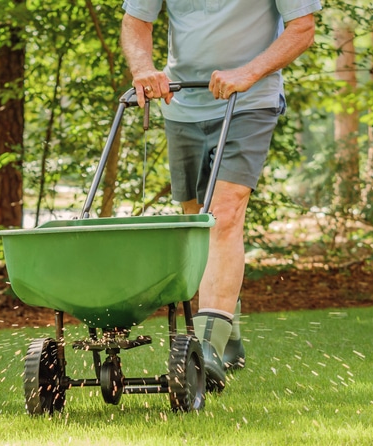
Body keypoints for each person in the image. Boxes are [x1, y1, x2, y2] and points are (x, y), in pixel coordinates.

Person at [121, 0, 321, 389]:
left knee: (224, 215)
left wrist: (249, 72)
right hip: (181, 104)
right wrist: (143, 68)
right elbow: (135, 21)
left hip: (249, 100)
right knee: (197, 223)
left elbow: (303, 28)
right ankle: (228, 336)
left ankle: (207, 348)